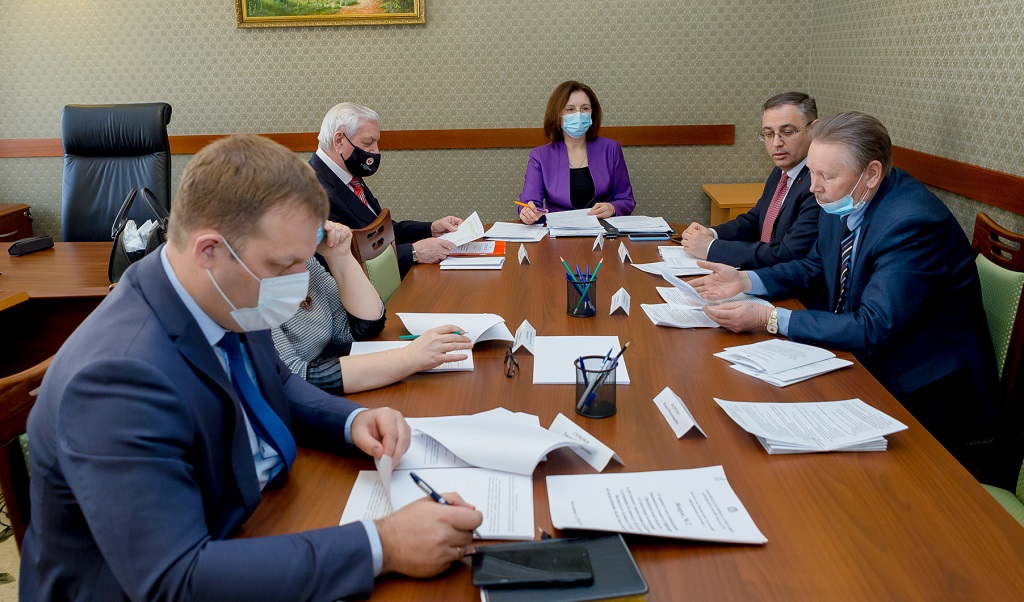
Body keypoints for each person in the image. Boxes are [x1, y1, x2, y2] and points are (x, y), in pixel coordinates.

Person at [21, 135, 483, 601]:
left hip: (254, 516)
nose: (299, 283)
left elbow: (276, 383)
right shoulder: (116, 380)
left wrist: (351, 421)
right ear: (209, 251)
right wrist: (385, 544)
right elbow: (175, 580)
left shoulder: (224, 291)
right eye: (283, 265)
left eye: (304, 259)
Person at [691, 112, 997, 463]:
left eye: (826, 175)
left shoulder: (912, 223)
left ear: (871, 173)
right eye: (813, 172)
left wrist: (769, 318)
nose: (813, 186)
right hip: (864, 357)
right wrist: (747, 280)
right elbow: (814, 266)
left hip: (924, 393)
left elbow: (872, 326)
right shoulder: (845, 197)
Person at [273, 219, 473, 393]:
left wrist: (339, 255)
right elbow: (294, 377)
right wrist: (409, 357)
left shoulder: (305, 260)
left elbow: (361, 327)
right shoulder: (256, 291)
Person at [310, 102, 462, 276]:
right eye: (368, 142)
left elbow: (380, 233)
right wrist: (413, 252)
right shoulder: (311, 191)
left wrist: (431, 229)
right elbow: (335, 263)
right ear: (339, 141)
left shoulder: (347, 173)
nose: (375, 151)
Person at [680, 92, 821, 270]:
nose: (776, 143)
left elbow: (786, 254)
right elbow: (755, 221)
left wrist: (711, 248)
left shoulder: (818, 184)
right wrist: (713, 233)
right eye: (768, 134)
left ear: (814, 129)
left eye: (787, 132)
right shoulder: (781, 171)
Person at [518, 81, 636, 224]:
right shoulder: (540, 156)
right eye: (570, 109)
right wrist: (528, 213)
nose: (578, 115)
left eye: (585, 108)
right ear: (557, 115)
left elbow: (626, 200)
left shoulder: (610, 149)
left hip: (603, 230)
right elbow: (529, 203)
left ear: (592, 113)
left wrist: (612, 208)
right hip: (558, 232)